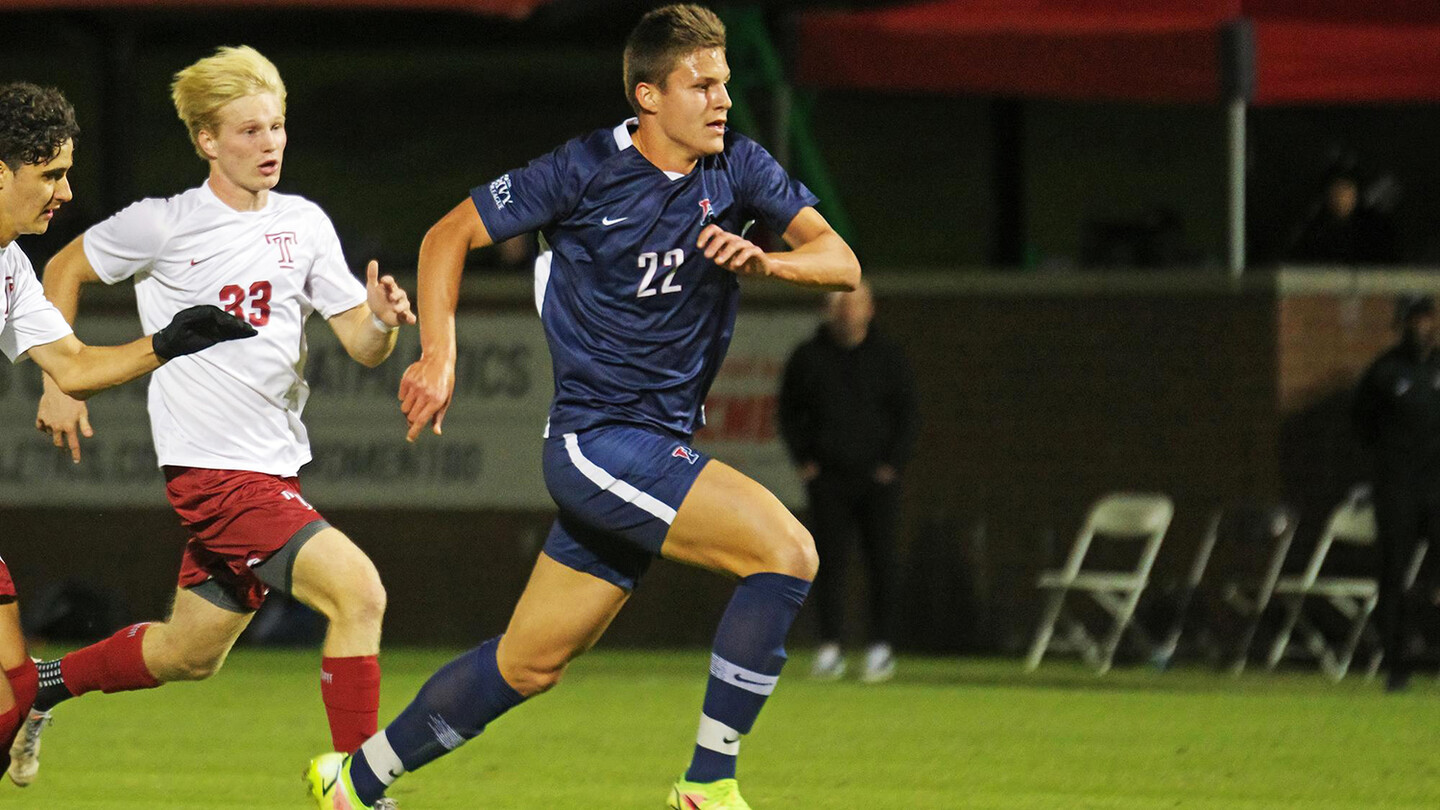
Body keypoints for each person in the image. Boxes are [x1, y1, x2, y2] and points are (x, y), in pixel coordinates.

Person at [305, 5, 859, 809]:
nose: (722, 100)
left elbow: (839, 260)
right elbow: (446, 236)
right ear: (647, 96)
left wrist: (768, 261)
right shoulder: (583, 170)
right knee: (788, 554)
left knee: (528, 664)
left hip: (649, 445)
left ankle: (355, 782)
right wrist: (439, 353)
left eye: (725, 83)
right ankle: (708, 784)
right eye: (700, 85)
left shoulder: (738, 166)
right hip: (599, 442)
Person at [18, 48, 414, 801]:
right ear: (206, 139)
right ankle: (358, 783)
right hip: (213, 473)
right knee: (359, 593)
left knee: (187, 654)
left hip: (274, 469)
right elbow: (61, 268)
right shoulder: (164, 224)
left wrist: (387, 324)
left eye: (278, 128)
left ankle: (43, 685)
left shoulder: (303, 224)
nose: (270, 145)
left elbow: (362, 345)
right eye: (249, 131)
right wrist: (59, 378)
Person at [0, 81, 254, 779]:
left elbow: (73, 365)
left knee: (11, 691)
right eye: (50, 174)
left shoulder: (10, 270)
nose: (65, 191)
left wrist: (167, 342)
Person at [777, 281, 917, 682]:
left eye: (854, 304)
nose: (846, 311)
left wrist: (892, 464)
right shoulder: (808, 357)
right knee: (827, 564)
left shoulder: (889, 358)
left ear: (869, 309)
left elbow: (908, 414)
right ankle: (829, 648)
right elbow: (789, 412)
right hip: (829, 481)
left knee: (882, 562)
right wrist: (805, 461)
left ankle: (879, 648)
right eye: (839, 304)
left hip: (877, 481)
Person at [1352, 293, 1440, 692]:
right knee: (1393, 574)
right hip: (1398, 488)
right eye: (1413, 320)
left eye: (1426, 319)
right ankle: (1396, 663)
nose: (1421, 327)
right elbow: (1363, 427)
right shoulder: (1384, 373)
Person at [1286, 171, 1399, 265]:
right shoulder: (1314, 228)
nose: (1341, 198)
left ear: (1355, 194)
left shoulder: (1372, 229)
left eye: (1346, 191)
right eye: (1336, 191)